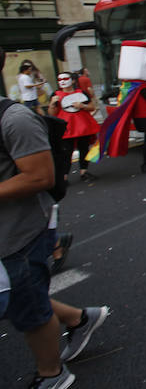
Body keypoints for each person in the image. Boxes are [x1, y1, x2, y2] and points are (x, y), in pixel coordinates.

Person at [0, 47, 109, 388]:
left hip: (17, 235)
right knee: (19, 297)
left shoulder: (14, 119)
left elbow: (39, 176)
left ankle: (52, 374)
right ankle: (78, 319)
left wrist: (75, 104)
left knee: (29, 307)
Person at [48, 73, 100, 183]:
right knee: (66, 152)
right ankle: (64, 177)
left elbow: (92, 107)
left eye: (65, 78)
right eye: (59, 79)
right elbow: (52, 114)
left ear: (72, 81)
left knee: (84, 149)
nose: (62, 81)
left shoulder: (81, 93)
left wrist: (83, 106)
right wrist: (52, 104)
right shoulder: (56, 95)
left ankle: (84, 171)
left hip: (82, 126)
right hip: (66, 128)